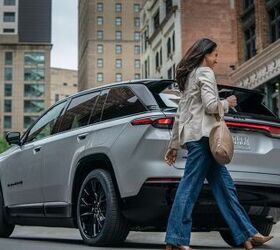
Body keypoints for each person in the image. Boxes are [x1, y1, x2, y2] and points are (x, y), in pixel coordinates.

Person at [164, 38, 273, 250]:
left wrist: (173, 145)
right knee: (189, 188)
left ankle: (247, 235)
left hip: (196, 138)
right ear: (205, 54)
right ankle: (176, 238)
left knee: (225, 188)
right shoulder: (204, 73)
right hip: (204, 138)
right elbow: (212, 105)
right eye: (214, 54)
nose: (217, 59)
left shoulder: (189, 78)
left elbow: (180, 115)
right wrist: (228, 103)